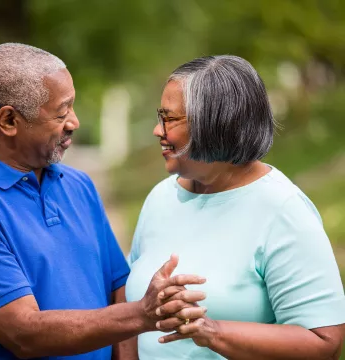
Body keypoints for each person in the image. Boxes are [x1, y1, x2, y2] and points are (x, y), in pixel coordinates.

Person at [0, 43, 199, 360]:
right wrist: (143, 314)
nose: (75, 122)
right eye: (62, 111)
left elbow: (118, 289)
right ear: (9, 121)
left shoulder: (78, 185)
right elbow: (25, 333)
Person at [125, 55, 345, 359]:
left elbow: (324, 341)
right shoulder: (160, 198)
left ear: (214, 123)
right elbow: (129, 311)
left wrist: (211, 331)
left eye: (169, 119)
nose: (157, 130)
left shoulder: (283, 210)